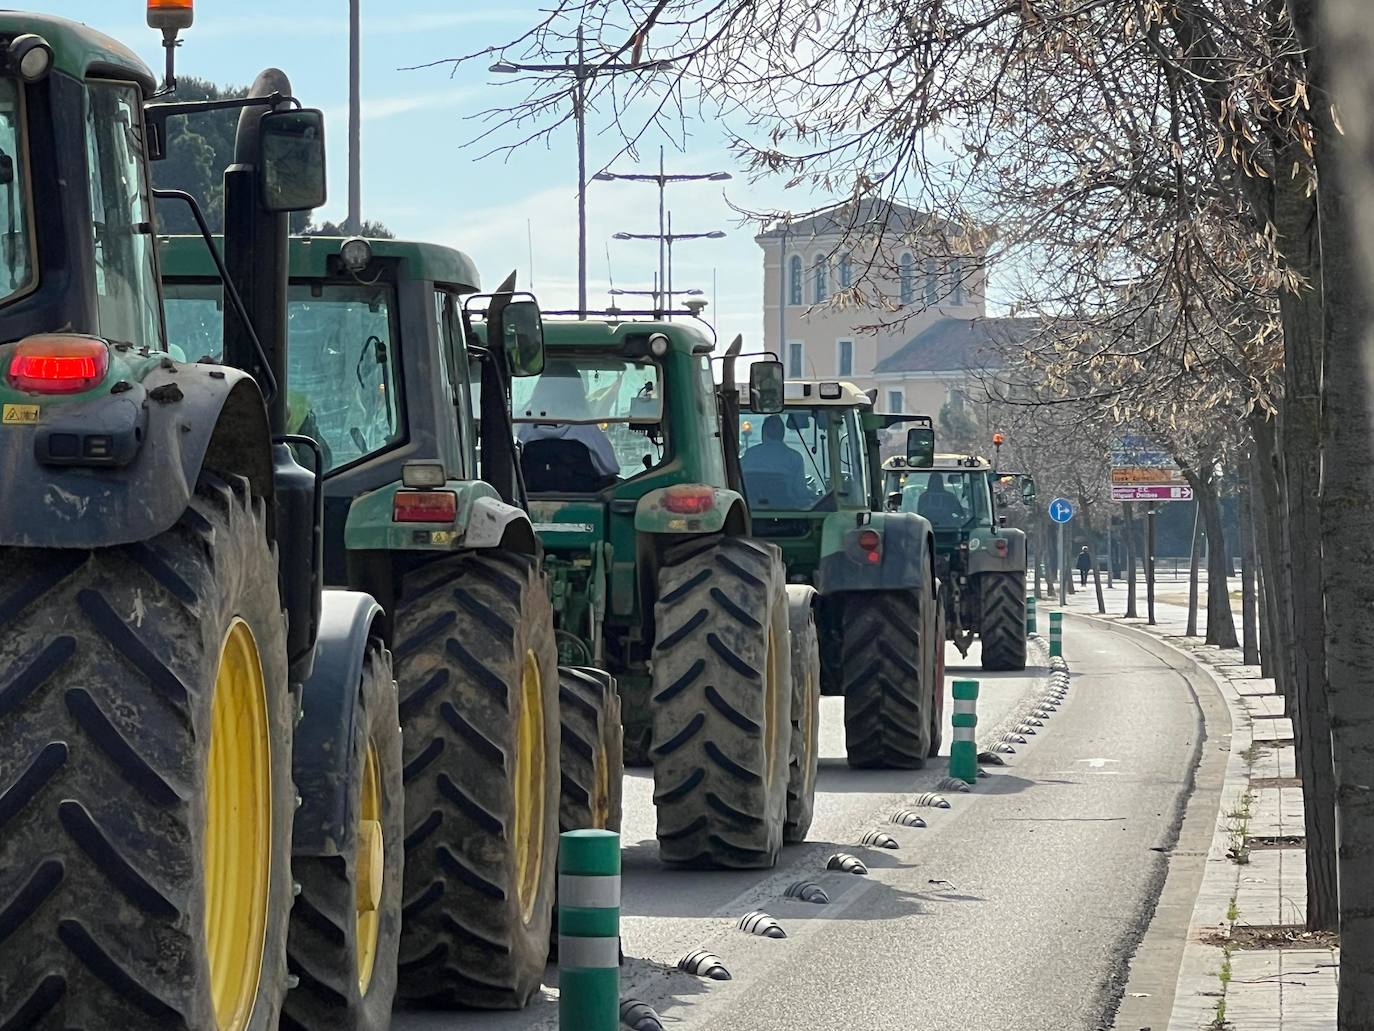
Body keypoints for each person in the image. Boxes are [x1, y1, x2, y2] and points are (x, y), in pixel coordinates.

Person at [517, 360, 620, 480]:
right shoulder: (585, 426)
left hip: (530, 497)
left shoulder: (526, 426)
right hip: (583, 497)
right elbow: (611, 468)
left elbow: (515, 467)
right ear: (578, 391)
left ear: (541, 389)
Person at [741, 414, 807, 507]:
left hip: (752, 511)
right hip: (787, 513)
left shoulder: (749, 455)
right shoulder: (794, 457)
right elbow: (800, 491)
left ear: (763, 432)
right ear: (782, 433)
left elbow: (740, 483)